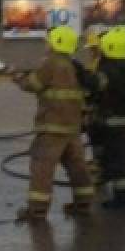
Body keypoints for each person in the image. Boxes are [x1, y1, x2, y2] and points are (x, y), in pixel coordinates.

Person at [11, 26, 95, 221]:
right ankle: (83, 203)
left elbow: (32, 85)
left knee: (42, 167)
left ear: (57, 43)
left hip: (52, 128)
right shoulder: (73, 65)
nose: (46, 44)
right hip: (72, 128)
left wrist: (16, 76)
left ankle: (37, 210)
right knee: (77, 166)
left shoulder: (51, 63)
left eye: (49, 41)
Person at [92, 27, 125, 209]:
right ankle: (123, 197)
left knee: (117, 161)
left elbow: (96, 89)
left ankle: (123, 200)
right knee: (119, 159)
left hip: (111, 123)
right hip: (122, 120)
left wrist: (83, 76)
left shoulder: (108, 70)